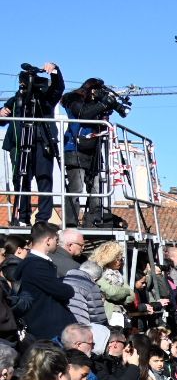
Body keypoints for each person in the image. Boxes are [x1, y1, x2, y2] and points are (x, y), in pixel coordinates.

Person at [1, 63, 64, 226]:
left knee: (44, 180)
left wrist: (55, 70)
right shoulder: (16, 100)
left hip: (43, 143)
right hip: (20, 144)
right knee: (22, 181)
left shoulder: (46, 98)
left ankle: (43, 219)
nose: (24, 85)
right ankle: (23, 218)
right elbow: (2, 120)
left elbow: (58, 87)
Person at [60, 77, 128, 228]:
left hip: (94, 149)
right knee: (76, 188)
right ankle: (70, 223)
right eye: (97, 90)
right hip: (75, 147)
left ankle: (93, 220)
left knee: (96, 188)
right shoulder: (73, 98)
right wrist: (103, 103)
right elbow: (82, 114)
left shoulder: (95, 104)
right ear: (90, 89)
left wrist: (110, 106)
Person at [17, 224, 75, 342]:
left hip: (48, 325)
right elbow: (61, 290)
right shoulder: (36, 265)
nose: (57, 243)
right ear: (48, 240)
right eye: (56, 240)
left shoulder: (36, 263)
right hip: (47, 328)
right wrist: (67, 288)